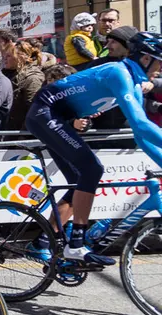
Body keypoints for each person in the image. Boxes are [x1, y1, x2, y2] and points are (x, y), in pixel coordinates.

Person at [25, 32, 162, 266]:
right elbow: (141, 124)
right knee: (91, 169)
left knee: (80, 179)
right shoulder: (118, 72)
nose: (161, 68)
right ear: (146, 59)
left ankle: (41, 244)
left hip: (59, 117)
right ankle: (76, 245)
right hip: (45, 113)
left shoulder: (134, 82)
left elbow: (140, 134)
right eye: (160, 60)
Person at [7, 40, 45, 130]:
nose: (4, 58)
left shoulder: (33, 78)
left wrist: (23, 136)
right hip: (9, 130)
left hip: (21, 134)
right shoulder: (9, 74)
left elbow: (33, 110)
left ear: (21, 57)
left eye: (8, 55)